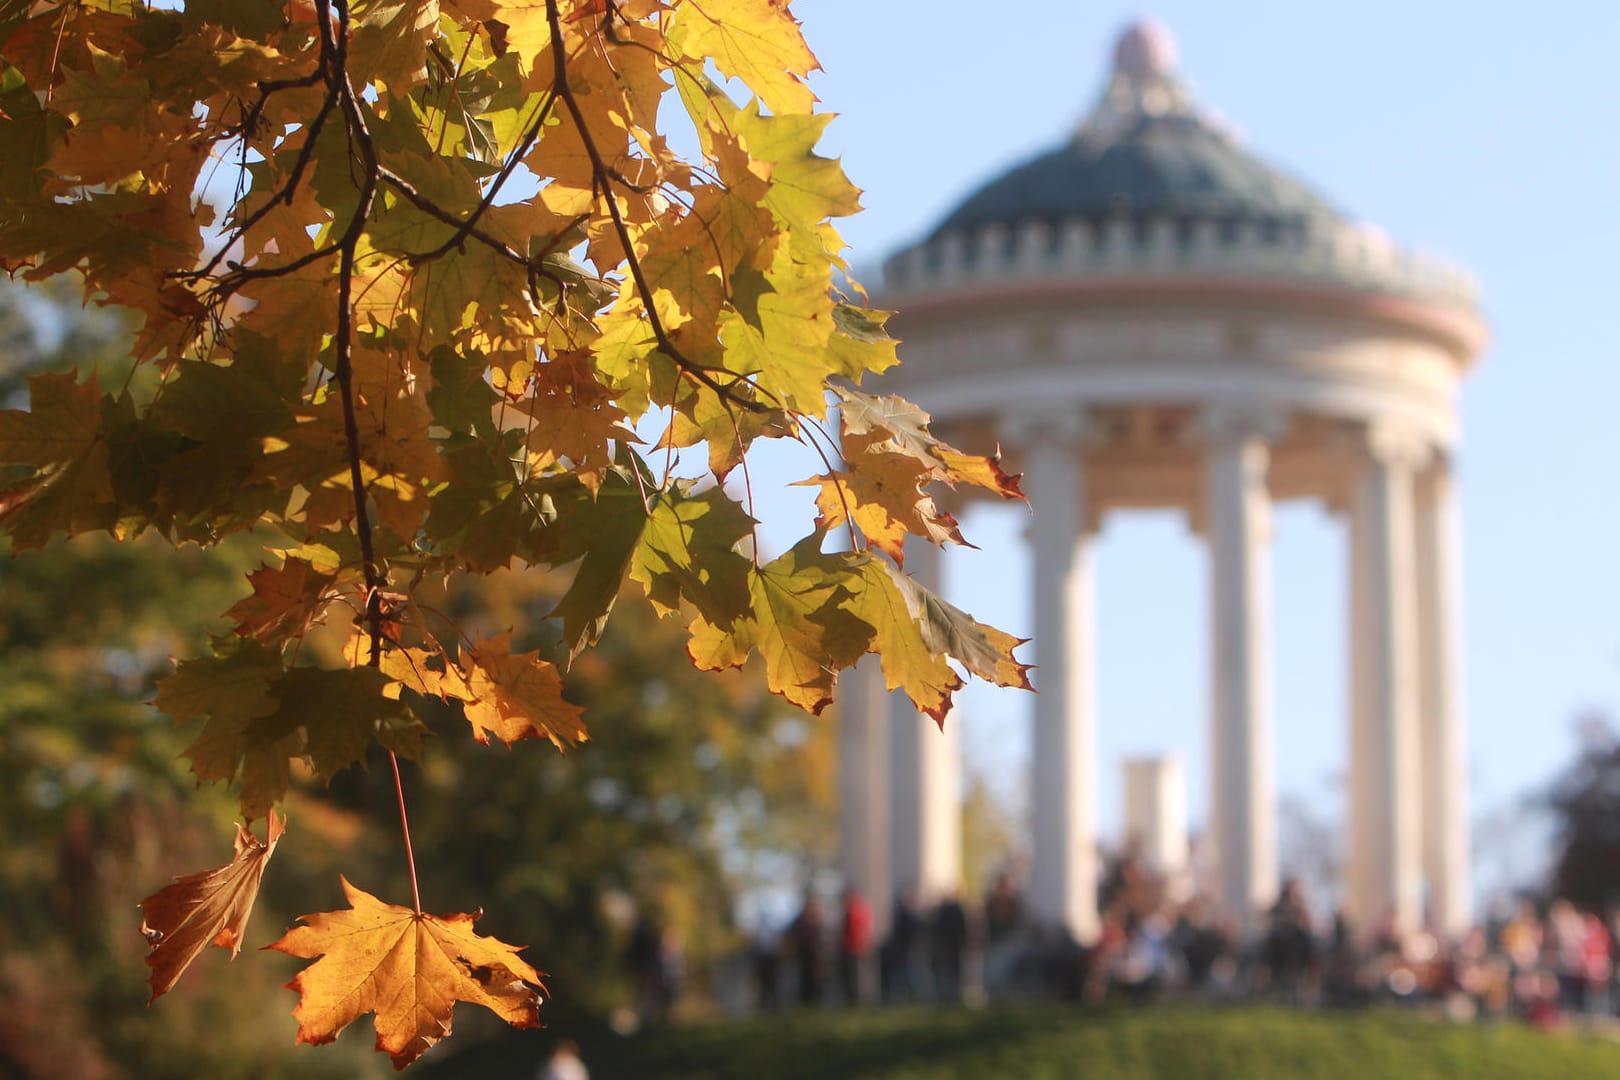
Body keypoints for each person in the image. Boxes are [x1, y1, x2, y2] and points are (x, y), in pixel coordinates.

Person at [839, 887, 874, 1005]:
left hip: (854, 947)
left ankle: (856, 999)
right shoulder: (864, 908)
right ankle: (860, 998)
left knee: (854, 975)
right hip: (860, 947)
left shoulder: (853, 909)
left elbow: (852, 929)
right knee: (858, 975)